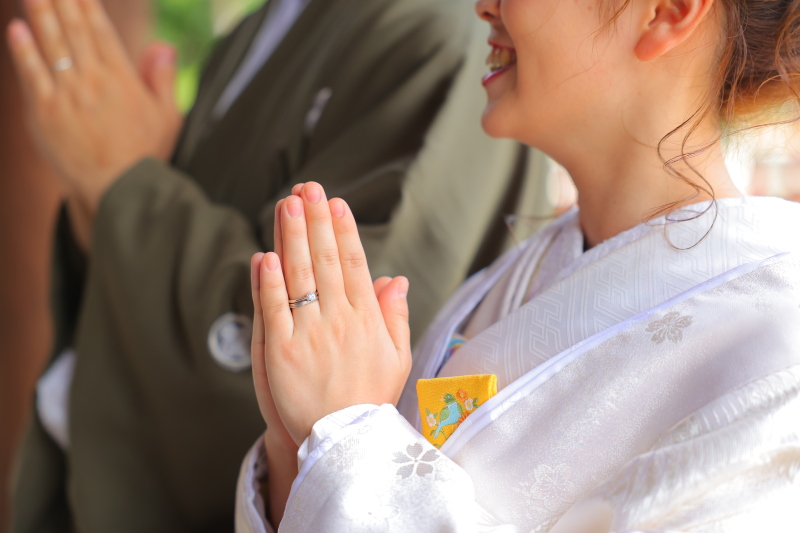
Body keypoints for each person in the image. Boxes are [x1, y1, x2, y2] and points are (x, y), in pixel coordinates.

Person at [240, 0, 800, 530]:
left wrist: (350, 440)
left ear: (666, 11)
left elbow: (365, 458)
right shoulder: (500, 286)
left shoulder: (781, 343)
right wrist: (300, 447)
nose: (483, 5)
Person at [4, 0, 546, 530]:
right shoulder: (256, 29)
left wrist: (126, 187)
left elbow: (334, 371)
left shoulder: (435, 32)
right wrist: (112, 202)